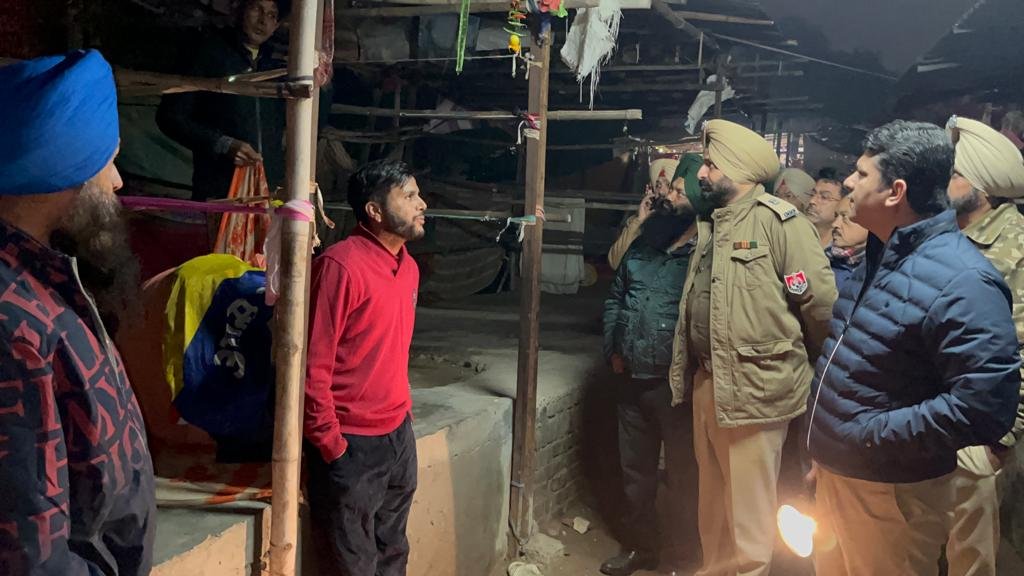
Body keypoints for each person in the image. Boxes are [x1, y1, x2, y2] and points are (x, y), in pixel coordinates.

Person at [806, 120, 1021, 576]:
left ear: (895, 192)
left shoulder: (963, 279)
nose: (849, 183)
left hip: (892, 488)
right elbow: (851, 362)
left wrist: (867, 435)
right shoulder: (881, 255)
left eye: (862, 174)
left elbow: (984, 406)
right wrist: (828, 448)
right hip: (847, 472)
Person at [0, 50, 155, 575]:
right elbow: (31, 554)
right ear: (63, 163)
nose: (118, 181)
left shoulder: (44, 279)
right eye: (108, 161)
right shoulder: (14, 324)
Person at [668, 119, 837, 576]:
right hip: (709, 384)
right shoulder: (713, 224)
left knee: (748, 518)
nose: (702, 174)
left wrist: (797, 364)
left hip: (756, 392)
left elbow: (820, 307)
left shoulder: (779, 223)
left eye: (710, 164)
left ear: (739, 170)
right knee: (713, 512)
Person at [303, 159, 427, 576]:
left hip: (398, 435)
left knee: (393, 550)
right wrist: (330, 442)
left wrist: (403, 416)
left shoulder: (408, 267)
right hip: (352, 440)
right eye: (409, 196)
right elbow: (312, 363)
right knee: (351, 563)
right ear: (374, 210)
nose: (421, 204)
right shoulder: (341, 265)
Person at [600, 155, 702, 576]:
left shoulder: (705, 254)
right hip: (630, 377)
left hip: (675, 386)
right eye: (669, 190)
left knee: (684, 477)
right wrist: (614, 349)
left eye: (678, 192)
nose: (669, 198)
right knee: (636, 473)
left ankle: (682, 558)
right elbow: (616, 298)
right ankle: (641, 547)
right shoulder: (645, 243)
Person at [944, 115, 1024, 576]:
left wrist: (1002, 437)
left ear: (985, 188)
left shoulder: (1016, 247)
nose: (945, 182)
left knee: (973, 558)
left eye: (955, 174)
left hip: (981, 430)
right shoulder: (945, 234)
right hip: (931, 420)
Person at [157, 0, 290, 201]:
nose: (263, 21)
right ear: (239, 10)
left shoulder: (276, 68)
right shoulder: (207, 54)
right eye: (256, 9)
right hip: (219, 190)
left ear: (276, 25)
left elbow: (307, 125)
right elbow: (170, 116)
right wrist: (223, 144)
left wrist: (324, 86)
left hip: (267, 190)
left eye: (272, 15)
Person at [608, 157, 678, 270]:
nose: (661, 191)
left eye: (668, 185)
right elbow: (615, 262)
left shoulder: (688, 225)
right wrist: (640, 221)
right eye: (658, 185)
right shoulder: (639, 221)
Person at [826, 191, 868, 291]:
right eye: (836, 216)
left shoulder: (878, 269)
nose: (835, 224)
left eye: (845, 217)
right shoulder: (823, 260)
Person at [806, 167, 843, 248]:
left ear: (843, 205)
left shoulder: (844, 249)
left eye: (824, 197)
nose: (812, 201)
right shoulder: (794, 236)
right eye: (812, 194)